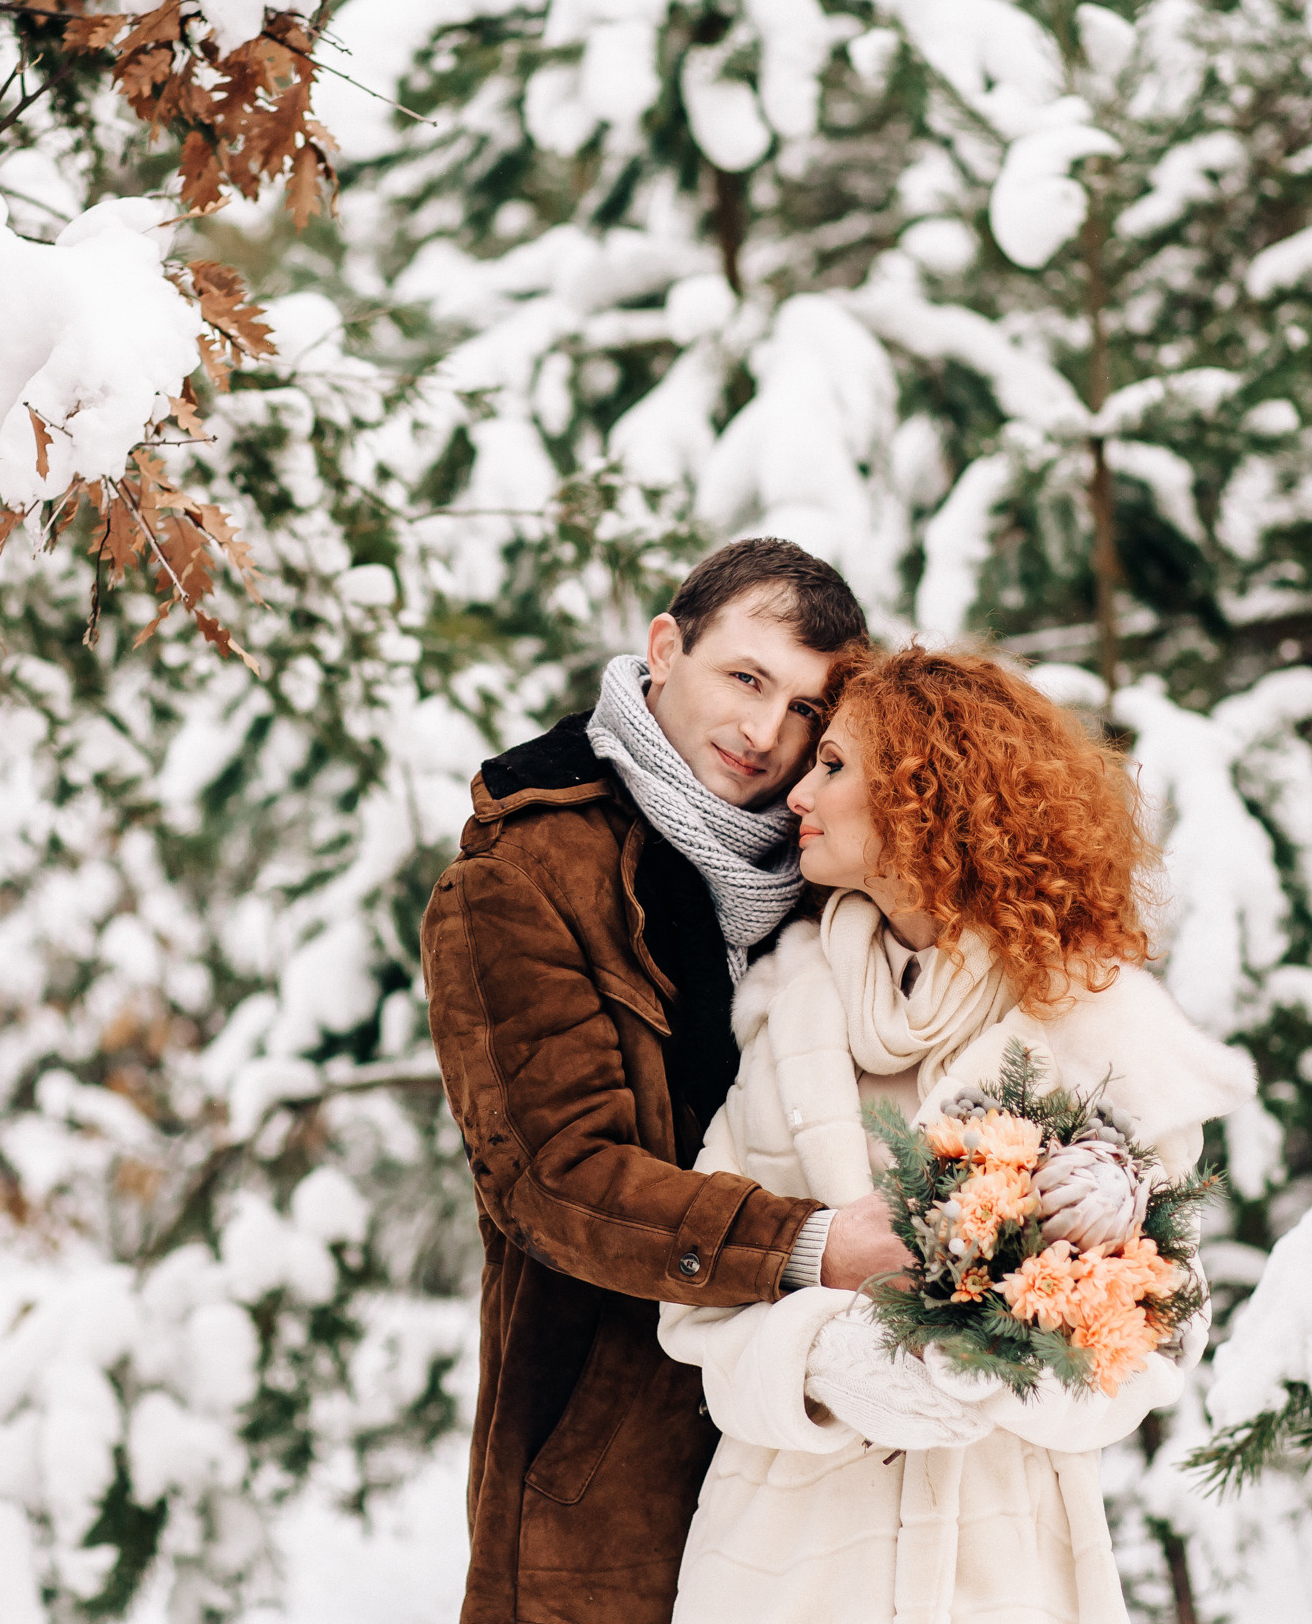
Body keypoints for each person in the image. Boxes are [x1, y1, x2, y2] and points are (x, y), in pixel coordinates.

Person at [659, 647, 1256, 1624]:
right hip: (784, 1566)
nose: (798, 787)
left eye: (836, 765)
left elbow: (1165, 1328)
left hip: (1008, 1563)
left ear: (928, 795)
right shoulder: (783, 1014)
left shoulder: (1098, 1022)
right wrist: (826, 1362)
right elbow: (694, 1311)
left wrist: (1006, 1371)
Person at [422, 539, 909, 1624]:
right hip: (612, 1455)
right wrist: (809, 1245)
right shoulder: (518, 880)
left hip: (818, 1449)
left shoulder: (835, 876)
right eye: (745, 677)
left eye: (805, 710)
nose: (764, 734)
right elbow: (558, 1181)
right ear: (664, 647)